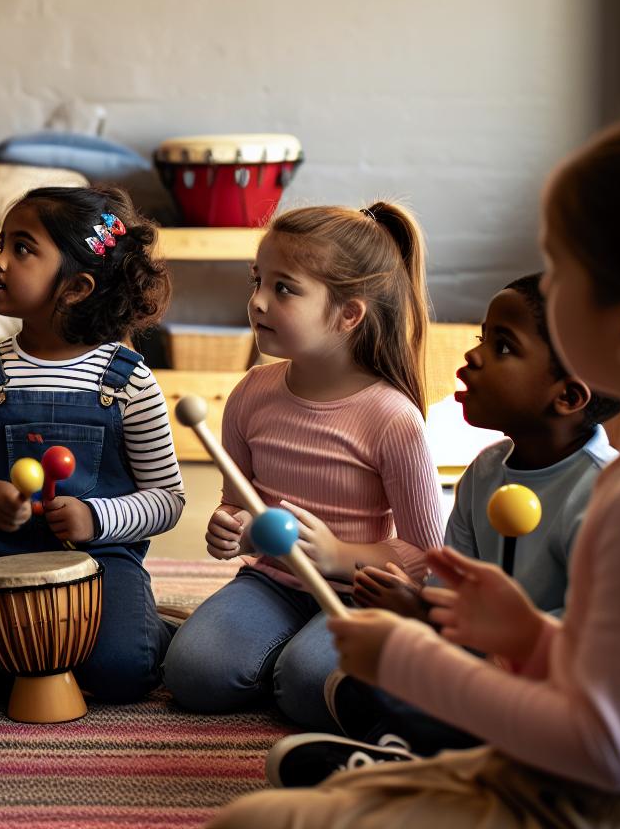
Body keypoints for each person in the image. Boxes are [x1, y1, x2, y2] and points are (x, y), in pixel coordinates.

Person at [213, 114, 620, 827]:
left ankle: (396, 754)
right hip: (553, 774)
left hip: (607, 806)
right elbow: (610, 681)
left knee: (249, 819)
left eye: (560, 271)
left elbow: (606, 752)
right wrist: (527, 636)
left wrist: (411, 662)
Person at [265, 273, 620, 783]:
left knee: (374, 682)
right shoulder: (486, 471)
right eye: (482, 337)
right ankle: (413, 747)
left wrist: (482, 646)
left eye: (503, 347)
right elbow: (448, 587)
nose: (474, 355)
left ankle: (405, 753)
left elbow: (593, 643)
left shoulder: (608, 496)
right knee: (347, 678)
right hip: (484, 673)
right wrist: (416, 606)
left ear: (566, 396)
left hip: (559, 693)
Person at [162, 202, 443, 730]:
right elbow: (237, 503)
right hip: (272, 583)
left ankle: (292, 666)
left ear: (349, 314)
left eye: (284, 288)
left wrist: (338, 555)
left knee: (310, 684)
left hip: (357, 594)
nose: (257, 301)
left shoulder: (392, 419)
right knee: (192, 674)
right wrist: (232, 529)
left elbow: (429, 557)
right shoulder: (251, 393)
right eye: (257, 280)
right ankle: (272, 660)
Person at [0, 187, 184, 705]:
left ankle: (153, 626)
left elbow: (167, 499)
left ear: (77, 287)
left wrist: (95, 518)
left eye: (22, 248)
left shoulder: (129, 380)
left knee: (124, 672)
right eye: (1, 244)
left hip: (102, 557)